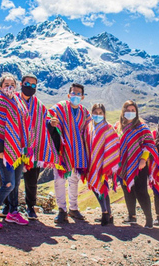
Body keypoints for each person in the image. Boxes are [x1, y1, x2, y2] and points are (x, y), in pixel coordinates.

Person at [0, 73, 31, 229]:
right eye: (6, 84)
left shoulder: (17, 101)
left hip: (16, 150)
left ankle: (13, 213)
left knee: (15, 183)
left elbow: (21, 127)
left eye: (12, 84)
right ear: (0, 87)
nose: (9, 87)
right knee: (8, 183)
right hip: (1, 151)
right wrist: (0, 150)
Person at [15, 74, 59, 220]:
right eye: (28, 84)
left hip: (34, 149)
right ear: (21, 84)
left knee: (32, 181)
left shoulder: (39, 105)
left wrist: (50, 124)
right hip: (15, 147)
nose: (30, 87)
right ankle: (10, 207)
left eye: (34, 85)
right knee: (11, 179)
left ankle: (30, 207)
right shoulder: (12, 101)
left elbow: (44, 122)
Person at [48, 83, 91, 223]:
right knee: (59, 180)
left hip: (78, 152)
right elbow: (47, 117)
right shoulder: (59, 108)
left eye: (78, 94)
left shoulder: (84, 112)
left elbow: (90, 129)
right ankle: (61, 210)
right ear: (68, 95)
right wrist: (51, 123)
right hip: (62, 151)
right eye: (73, 93)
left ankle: (73, 208)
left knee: (74, 180)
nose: (76, 96)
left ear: (82, 97)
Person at [116, 100, 159, 229]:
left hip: (139, 165)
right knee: (127, 190)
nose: (130, 113)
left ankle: (149, 218)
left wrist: (143, 159)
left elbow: (149, 144)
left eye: (133, 111)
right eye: (128, 110)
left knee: (141, 191)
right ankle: (132, 216)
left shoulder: (142, 127)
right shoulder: (119, 127)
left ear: (136, 112)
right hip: (124, 165)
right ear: (123, 112)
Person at [83, 104, 120, 226]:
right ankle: (108, 214)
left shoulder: (108, 128)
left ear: (104, 114)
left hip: (104, 163)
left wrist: (107, 162)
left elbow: (114, 144)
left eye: (100, 113)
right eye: (95, 112)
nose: (98, 115)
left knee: (101, 188)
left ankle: (105, 213)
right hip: (92, 163)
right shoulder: (89, 126)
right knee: (97, 188)